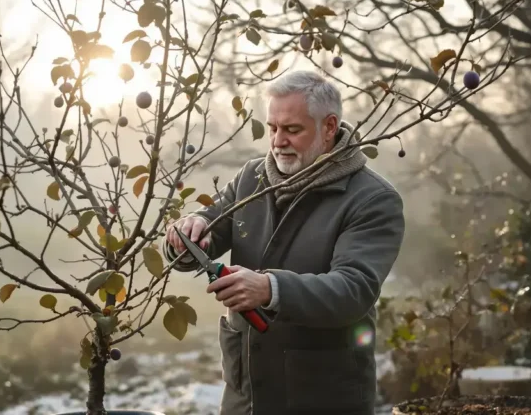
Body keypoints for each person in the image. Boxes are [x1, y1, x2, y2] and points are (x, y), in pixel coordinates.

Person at [163, 70, 405, 415]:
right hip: (245, 400)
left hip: (323, 400)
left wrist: (270, 288)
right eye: (273, 128)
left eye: (292, 130)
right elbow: (205, 234)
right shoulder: (252, 177)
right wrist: (188, 232)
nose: (277, 141)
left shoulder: (372, 199)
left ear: (329, 127)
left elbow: (354, 290)